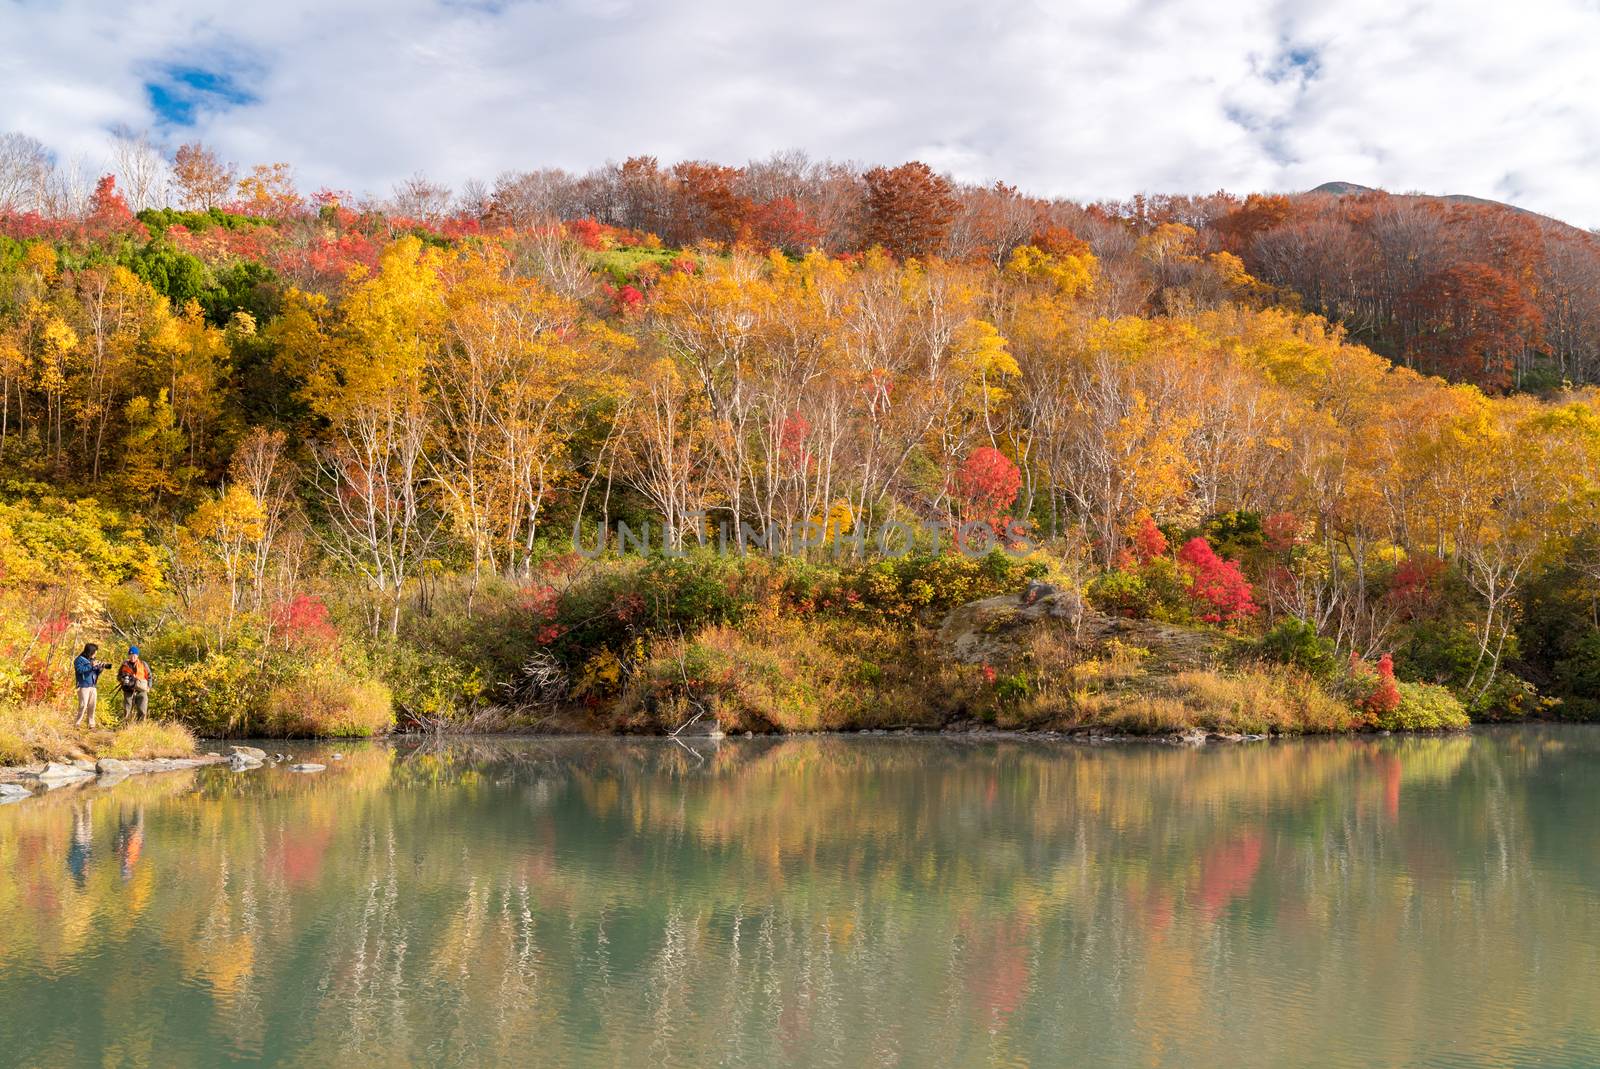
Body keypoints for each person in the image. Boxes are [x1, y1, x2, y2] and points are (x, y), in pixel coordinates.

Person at [72, 643, 110, 729]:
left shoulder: (92, 660)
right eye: (94, 652)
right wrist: (91, 665)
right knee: (83, 705)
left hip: (92, 685)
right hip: (83, 685)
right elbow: (80, 670)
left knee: (92, 705)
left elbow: (95, 673)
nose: (95, 654)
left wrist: (100, 668)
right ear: (90, 651)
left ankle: (91, 724)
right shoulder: (79, 660)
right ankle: (77, 723)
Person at [117, 647, 154, 722]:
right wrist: (122, 679)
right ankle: (126, 727)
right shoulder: (124, 665)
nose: (132, 657)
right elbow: (118, 676)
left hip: (141, 691)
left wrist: (149, 687)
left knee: (142, 711)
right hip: (128, 691)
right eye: (130, 655)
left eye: (134, 655)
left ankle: (140, 728)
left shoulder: (143, 664)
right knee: (127, 710)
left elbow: (149, 676)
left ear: (137, 655)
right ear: (128, 655)